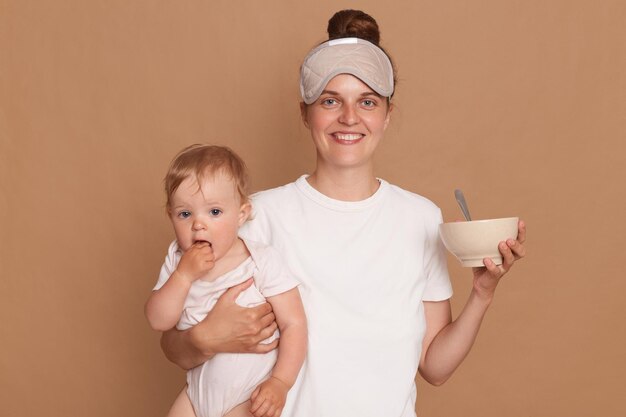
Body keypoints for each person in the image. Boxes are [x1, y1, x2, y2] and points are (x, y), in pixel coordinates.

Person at [160, 9, 527, 417]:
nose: (349, 118)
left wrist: (481, 294)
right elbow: (175, 346)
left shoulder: (420, 219)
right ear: (305, 113)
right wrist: (205, 338)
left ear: (387, 115)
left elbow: (435, 367)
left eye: (366, 102)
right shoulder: (255, 216)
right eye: (330, 101)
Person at [145, 144, 307, 417]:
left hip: (248, 397)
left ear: (241, 215)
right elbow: (158, 320)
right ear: (170, 216)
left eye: (215, 212)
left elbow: (295, 323)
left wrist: (280, 382)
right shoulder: (176, 261)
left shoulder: (260, 260)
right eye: (185, 214)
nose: (199, 224)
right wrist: (183, 276)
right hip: (196, 397)